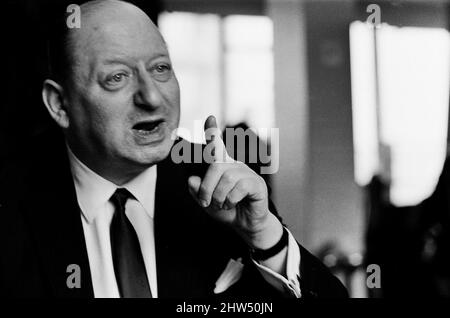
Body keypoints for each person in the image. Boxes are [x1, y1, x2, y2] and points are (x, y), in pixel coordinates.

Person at [0, 0, 347, 298]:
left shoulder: (215, 178)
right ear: (60, 104)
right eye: (117, 77)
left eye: (161, 69)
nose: (151, 97)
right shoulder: (11, 198)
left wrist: (266, 238)